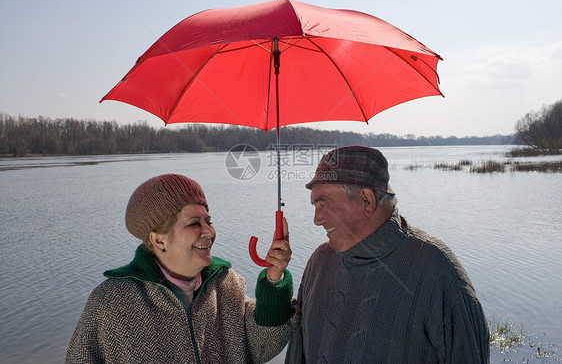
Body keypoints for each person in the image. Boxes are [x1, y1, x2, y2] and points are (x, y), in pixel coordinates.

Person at [285, 146, 490, 363]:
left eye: (323, 204)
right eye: (315, 205)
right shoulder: (320, 262)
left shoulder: (437, 269)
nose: (316, 219)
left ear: (366, 200)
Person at [66, 173, 297, 363]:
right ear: (158, 240)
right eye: (194, 224)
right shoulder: (111, 302)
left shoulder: (226, 284)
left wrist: (274, 278)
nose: (209, 231)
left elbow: (263, 345)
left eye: (209, 220)